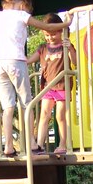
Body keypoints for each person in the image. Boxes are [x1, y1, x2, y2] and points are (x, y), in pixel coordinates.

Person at [0, 0, 72, 157]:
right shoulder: (21, 14)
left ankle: (8, 147)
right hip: (16, 61)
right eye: (29, 10)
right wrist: (67, 22)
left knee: (8, 107)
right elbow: (49, 27)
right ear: (23, 5)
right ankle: (32, 144)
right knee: (27, 103)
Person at [27, 13, 77, 154]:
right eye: (47, 35)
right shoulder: (43, 48)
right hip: (48, 86)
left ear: (61, 31)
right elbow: (30, 60)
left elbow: (75, 62)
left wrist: (71, 49)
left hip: (62, 85)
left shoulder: (65, 46)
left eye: (53, 34)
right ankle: (39, 145)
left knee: (60, 116)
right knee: (44, 114)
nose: (50, 38)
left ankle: (62, 144)